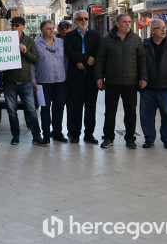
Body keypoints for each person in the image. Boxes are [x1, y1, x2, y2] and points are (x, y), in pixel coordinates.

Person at [95, 14, 148, 149]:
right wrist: (99, 77)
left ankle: (130, 138)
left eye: (129, 21)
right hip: (112, 83)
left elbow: (142, 60)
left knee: (130, 112)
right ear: (117, 23)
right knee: (110, 112)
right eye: (124, 22)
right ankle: (108, 138)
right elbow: (100, 60)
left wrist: (143, 77)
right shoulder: (107, 40)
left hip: (131, 83)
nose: (128, 24)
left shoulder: (136, 39)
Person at [140, 19, 167, 149]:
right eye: (160, 28)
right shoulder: (144, 45)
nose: (164, 30)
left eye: (164, 27)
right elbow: (140, 65)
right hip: (148, 89)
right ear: (153, 31)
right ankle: (149, 139)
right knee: (147, 116)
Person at [3, 17, 42, 146]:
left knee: (31, 110)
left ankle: (36, 136)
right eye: (12, 25)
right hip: (9, 81)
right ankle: (15, 136)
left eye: (17, 25)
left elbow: (35, 59)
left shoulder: (29, 41)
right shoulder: (4, 40)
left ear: (23, 26)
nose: (14, 27)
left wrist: (25, 51)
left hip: (25, 81)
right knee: (11, 111)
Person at [64, 10, 101, 144]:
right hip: (76, 77)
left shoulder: (95, 35)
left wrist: (92, 59)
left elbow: (99, 51)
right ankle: (75, 133)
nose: (84, 21)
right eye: (80, 19)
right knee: (76, 108)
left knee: (91, 109)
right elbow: (69, 52)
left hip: (91, 77)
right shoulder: (70, 36)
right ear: (75, 21)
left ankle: (89, 134)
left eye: (85, 18)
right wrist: (85, 59)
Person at [32, 19, 67, 144]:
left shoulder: (61, 42)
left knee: (59, 107)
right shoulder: (36, 44)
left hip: (60, 81)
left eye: (53, 28)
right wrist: (33, 80)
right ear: (42, 30)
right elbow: (32, 64)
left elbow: (66, 61)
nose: (52, 30)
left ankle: (57, 132)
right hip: (43, 82)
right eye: (49, 28)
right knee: (45, 109)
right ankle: (46, 134)